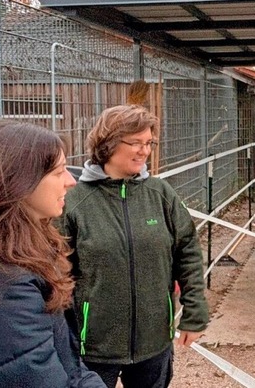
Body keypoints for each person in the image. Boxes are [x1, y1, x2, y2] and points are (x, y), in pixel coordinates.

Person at [60, 103, 209, 388]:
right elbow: (57, 271)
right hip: (94, 346)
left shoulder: (160, 194)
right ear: (108, 143)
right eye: (136, 143)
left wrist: (195, 312)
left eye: (148, 143)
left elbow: (187, 250)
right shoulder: (75, 201)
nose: (145, 151)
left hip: (153, 343)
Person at [0, 121, 105, 388]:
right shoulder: (4, 287)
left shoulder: (20, 253)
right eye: (59, 171)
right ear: (19, 182)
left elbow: (67, 367)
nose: (71, 181)